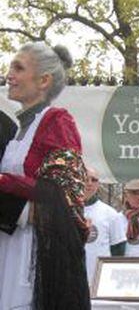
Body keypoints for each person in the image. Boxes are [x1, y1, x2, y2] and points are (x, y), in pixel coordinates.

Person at [0, 42, 90, 309]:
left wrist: (4, 181)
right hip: (9, 244)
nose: (9, 75)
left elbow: (65, 194)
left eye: (18, 68)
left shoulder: (57, 121)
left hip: (32, 254)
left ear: (43, 80)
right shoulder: (18, 129)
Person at [84, 167, 126, 284]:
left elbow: (118, 249)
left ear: (98, 184)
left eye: (94, 180)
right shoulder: (66, 210)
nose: (89, 183)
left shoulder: (110, 213)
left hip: (100, 280)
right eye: (85, 179)